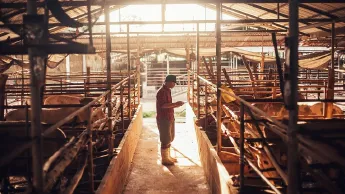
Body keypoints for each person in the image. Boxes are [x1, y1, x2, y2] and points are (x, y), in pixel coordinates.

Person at [156, 75, 184, 165]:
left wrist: (176, 105)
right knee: (165, 138)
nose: (174, 85)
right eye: (173, 83)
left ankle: (168, 156)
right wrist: (176, 104)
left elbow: (168, 104)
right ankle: (164, 159)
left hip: (169, 117)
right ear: (169, 82)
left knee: (170, 137)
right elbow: (163, 106)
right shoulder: (162, 92)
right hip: (164, 118)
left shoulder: (167, 91)